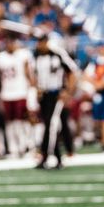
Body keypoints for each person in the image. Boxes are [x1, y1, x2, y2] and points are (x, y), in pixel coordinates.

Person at [33, 35, 76, 169]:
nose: (40, 45)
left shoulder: (58, 54)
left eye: (42, 42)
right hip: (44, 95)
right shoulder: (36, 56)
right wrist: (37, 88)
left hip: (56, 93)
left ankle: (46, 155)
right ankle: (56, 157)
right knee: (49, 125)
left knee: (51, 125)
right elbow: (32, 73)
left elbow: (72, 71)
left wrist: (68, 91)